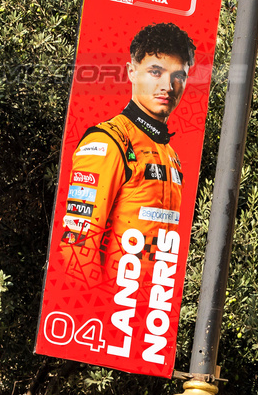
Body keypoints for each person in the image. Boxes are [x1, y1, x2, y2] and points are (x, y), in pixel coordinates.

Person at [59, 22, 195, 267]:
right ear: (131, 72)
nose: (167, 86)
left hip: (152, 302)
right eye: (156, 72)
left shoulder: (170, 153)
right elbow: (77, 248)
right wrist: (97, 304)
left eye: (178, 76)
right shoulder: (107, 142)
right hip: (112, 302)